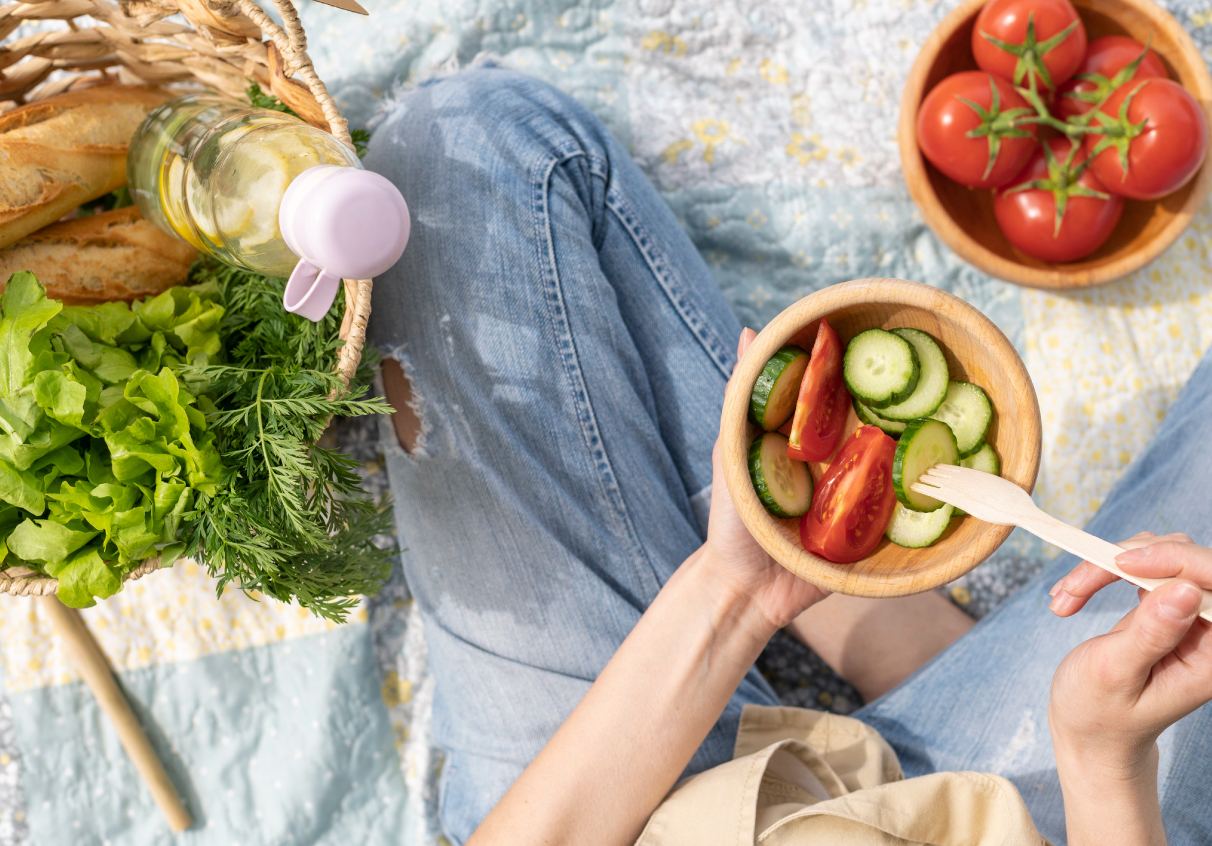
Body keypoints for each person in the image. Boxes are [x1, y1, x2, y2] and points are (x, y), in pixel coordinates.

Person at [364, 65, 1212, 845]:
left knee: (460, 149)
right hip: (1019, 809)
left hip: (607, 807)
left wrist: (736, 592)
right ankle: (914, 646)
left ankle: (883, 623)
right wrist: (1104, 760)